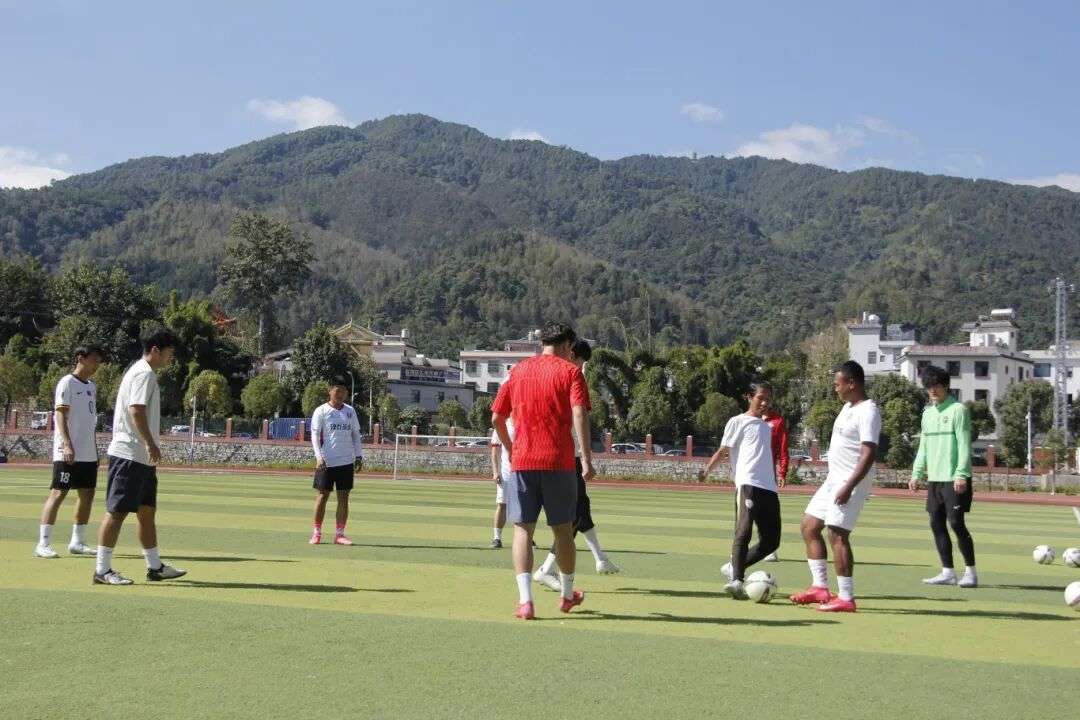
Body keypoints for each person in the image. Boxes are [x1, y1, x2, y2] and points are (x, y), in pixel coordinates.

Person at [491, 322, 593, 620]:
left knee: (523, 529)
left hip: (523, 461)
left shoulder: (518, 371)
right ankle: (567, 595)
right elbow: (579, 413)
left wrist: (511, 448)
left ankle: (526, 601)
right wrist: (587, 459)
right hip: (558, 461)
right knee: (563, 530)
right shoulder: (571, 372)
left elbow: (497, 417)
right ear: (567, 345)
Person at [94, 328, 186, 586]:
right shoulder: (143, 373)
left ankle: (155, 567)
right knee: (117, 511)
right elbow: (136, 410)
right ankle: (102, 570)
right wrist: (150, 443)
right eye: (169, 353)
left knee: (146, 511)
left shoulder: (144, 372)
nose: (170, 358)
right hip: (130, 454)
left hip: (140, 457)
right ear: (155, 350)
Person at [791, 361, 880, 612]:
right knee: (809, 526)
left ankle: (846, 598)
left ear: (851, 383)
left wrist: (849, 485)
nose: (836, 388)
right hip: (833, 479)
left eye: (838, 384)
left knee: (837, 533)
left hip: (850, 481)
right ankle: (820, 587)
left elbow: (868, 454)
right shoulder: (847, 407)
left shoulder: (868, 411)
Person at [533, 339, 619, 591]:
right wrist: (586, 458)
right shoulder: (569, 378)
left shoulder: (554, 376)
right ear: (572, 355)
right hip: (566, 456)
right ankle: (546, 569)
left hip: (560, 454)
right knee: (572, 516)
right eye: (581, 362)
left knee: (581, 510)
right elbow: (579, 415)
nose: (581, 367)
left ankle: (600, 558)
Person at [700, 381, 781, 598]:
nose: (764, 403)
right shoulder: (737, 421)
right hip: (748, 483)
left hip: (769, 487)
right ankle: (736, 580)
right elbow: (724, 450)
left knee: (771, 541)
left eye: (768, 399)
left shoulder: (767, 426)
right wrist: (707, 470)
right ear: (749, 396)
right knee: (743, 531)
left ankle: (734, 566)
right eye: (760, 398)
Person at [34, 345, 105, 559]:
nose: (97, 364)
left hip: (87, 452)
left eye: (99, 360)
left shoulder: (91, 386)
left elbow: (90, 422)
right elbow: (60, 415)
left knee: (87, 494)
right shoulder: (67, 382)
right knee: (58, 493)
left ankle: (77, 541)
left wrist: (94, 450)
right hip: (67, 450)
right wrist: (66, 444)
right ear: (80, 358)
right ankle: (43, 543)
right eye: (94, 359)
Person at [910, 365, 977, 588]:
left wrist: (961, 474)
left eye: (936, 385)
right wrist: (917, 473)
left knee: (956, 523)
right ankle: (947, 572)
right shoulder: (927, 414)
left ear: (946, 386)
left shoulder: (958, 410)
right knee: (936, 523)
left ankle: (970, 573)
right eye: (929, 386)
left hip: (955, 478)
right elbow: (923, 447)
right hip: (935, 479)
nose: (932, 390)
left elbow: (964, 445)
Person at [309, 380, 364, 545]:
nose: (340, 394)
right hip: (326, 461)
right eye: (337, 391)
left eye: (343, 391)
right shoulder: (321, 410)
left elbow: (356, 435)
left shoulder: (350, 411)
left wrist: (358, 456)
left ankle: (339, 534)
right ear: (330, 391)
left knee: (344, 498)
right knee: (322, 496)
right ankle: (316, 532)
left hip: (346, 461)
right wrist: (319, 457)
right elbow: (315, 436)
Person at [761, 403, 790, 562]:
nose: (764, 403)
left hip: (768, 474)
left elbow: (783, 450)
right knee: (746, 510)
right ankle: (740, 550)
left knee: (768, 511)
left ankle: (770, 550)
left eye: (767, 399)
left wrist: (782, 472)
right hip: (748, 473)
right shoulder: (748, 419)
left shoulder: (778, 422)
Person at [489, 416, 514, 548]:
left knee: (525, 506)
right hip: (506, 472)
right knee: (502, 505)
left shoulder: (526, 422)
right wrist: (495, 471)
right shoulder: (502, 424)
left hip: (525, 471)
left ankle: (527, 538)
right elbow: (495, 450)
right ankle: (496, 538)